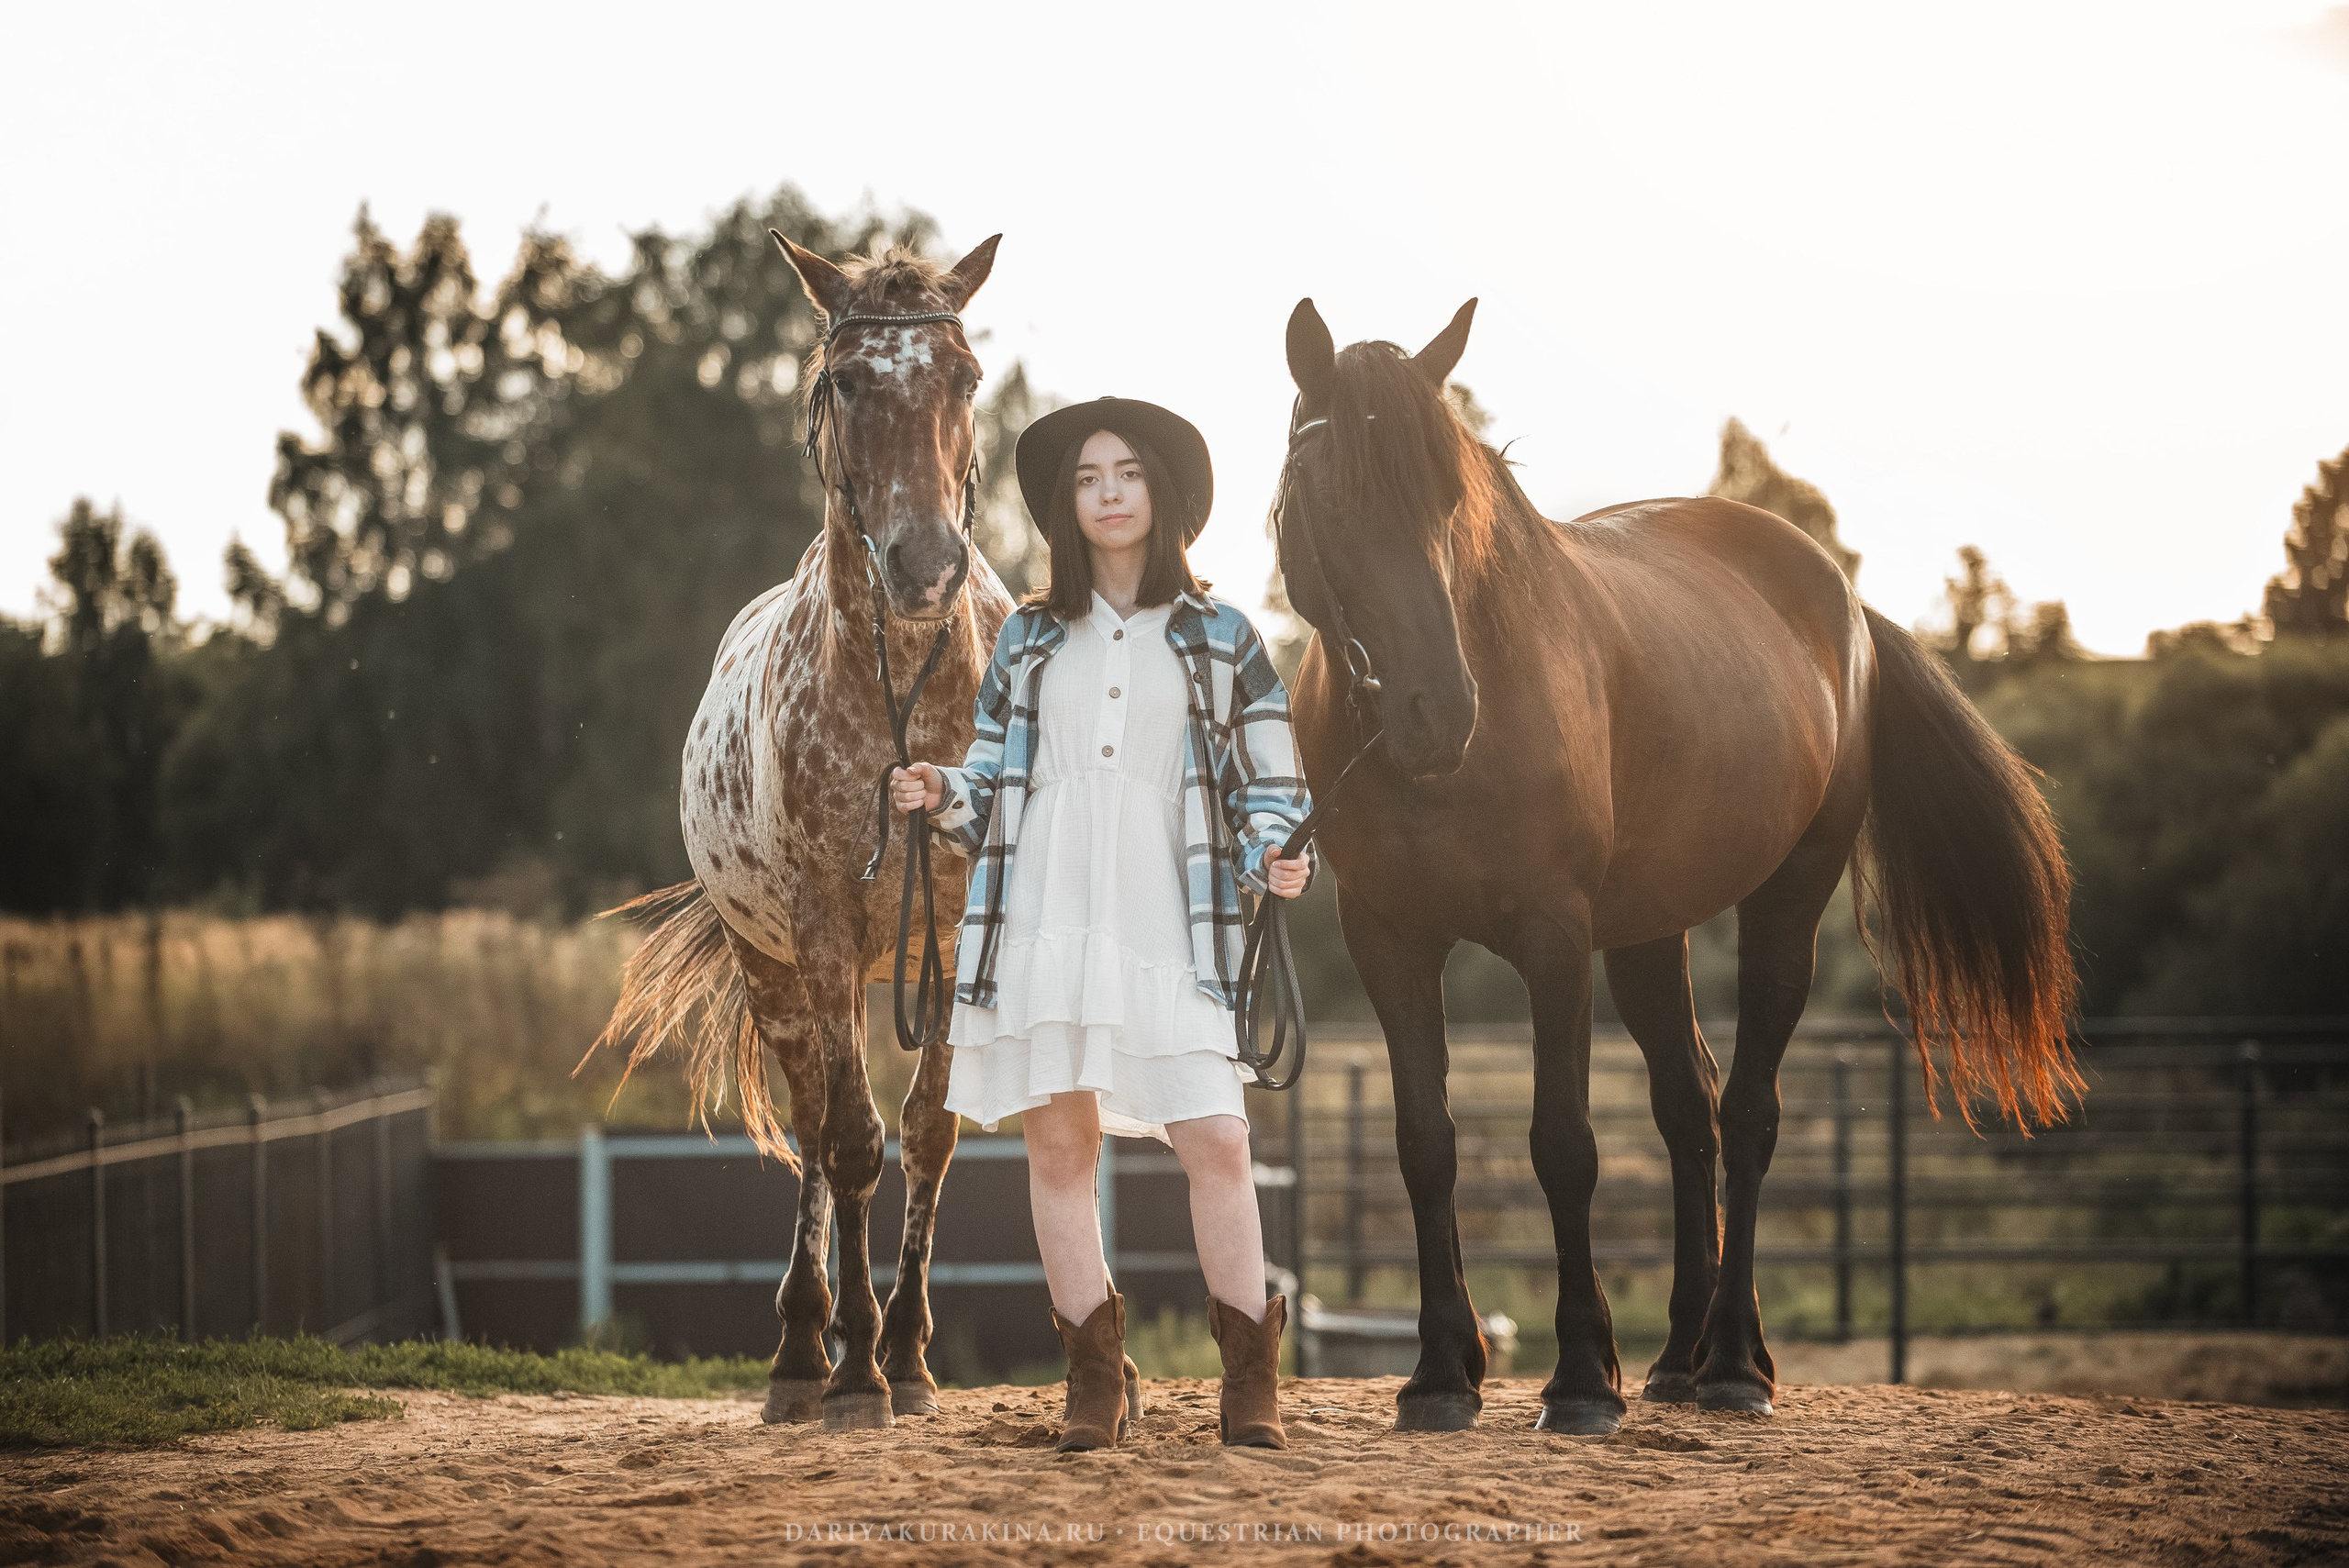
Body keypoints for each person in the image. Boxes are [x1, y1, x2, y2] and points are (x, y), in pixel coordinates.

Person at [888, 396, 1313, 1452]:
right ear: (1064, 504)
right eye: (1087, 478)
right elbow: (995, 779)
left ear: (1160, 492)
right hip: (1046, 911)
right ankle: (1092, 1378)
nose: (1109, 491)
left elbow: (1274, 779)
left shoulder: (1224, 635)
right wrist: (940, 785)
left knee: (1215, 1136)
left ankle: (1249, 1379)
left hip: (1174, 921)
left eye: (1126, 472)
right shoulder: (1031, 634)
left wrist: (1277, 851)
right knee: (1059, 1141)